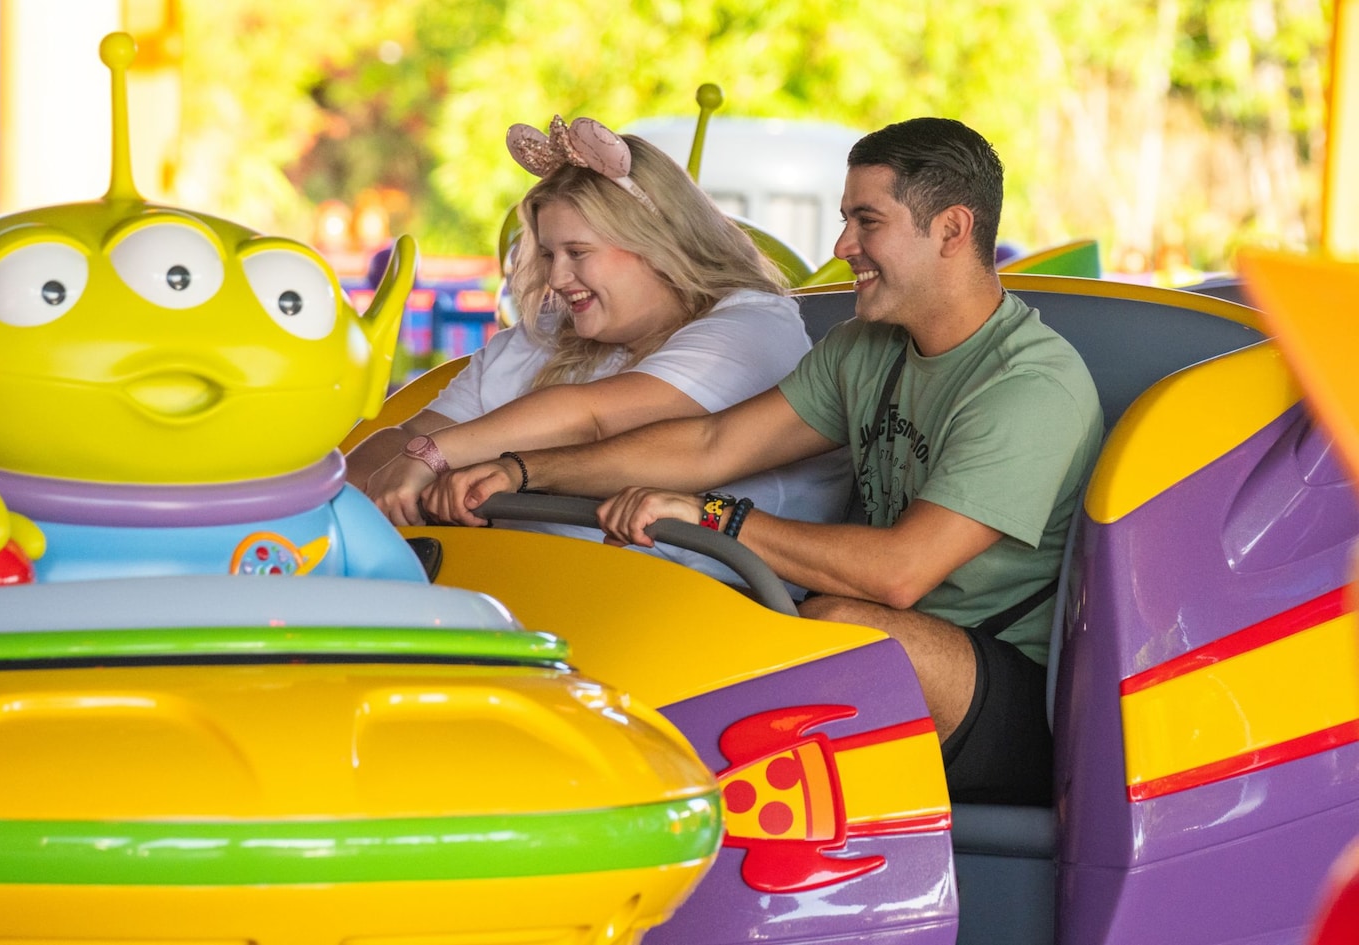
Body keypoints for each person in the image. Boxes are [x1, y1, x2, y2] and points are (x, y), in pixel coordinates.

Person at [423, 117, 1105, 805]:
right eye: (845, 221)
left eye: (867, 222)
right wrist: (521, 470)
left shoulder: (1027, 386)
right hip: (863, 629)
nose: (843, 247)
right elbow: (710, 444)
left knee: (836, 630)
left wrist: (715, 517)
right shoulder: (863, 348)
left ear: (952, 230)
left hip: (1001, 685)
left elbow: (899, 573)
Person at [348, 114, 852, 587]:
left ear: (657, 244)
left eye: (578, 253)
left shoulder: (751, 326)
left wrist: (432, 458)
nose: (556, 277)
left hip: (703, 602)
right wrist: (350, 502)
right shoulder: (544, 334)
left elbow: (592, 418)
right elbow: (408, 435)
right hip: (530, 589)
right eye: (548, 254)